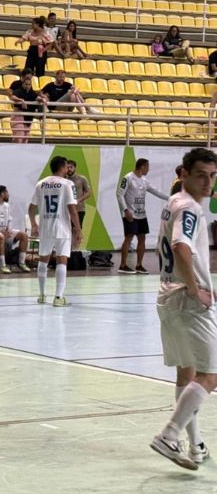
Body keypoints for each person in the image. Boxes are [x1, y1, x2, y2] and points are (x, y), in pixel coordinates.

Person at [149, 147, 217, 471]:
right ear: (184, 174)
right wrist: (196, 288)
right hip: (187, 300)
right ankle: (170, 434)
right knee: (210, 375)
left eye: (213, 176)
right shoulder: (190, 208)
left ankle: (196, 443)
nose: (208, 182)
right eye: (201, 175)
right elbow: (180, 247)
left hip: (166, 295)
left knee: (186, 372)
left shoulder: (173, 202)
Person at [28, 156, 81, 307]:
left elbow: (31, 207)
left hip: (45, 227)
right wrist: (78, 229)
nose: (67, 169)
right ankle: (58, 297)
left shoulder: (41, 183)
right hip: (62, 228)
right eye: (66, 166)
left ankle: (42, 295)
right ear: (63, 167)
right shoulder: (67, 184)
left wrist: (33, 224)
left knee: (43, 260)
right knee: (61, 260)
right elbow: (72, 209)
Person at [117, 158, 168, 274]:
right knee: (129, 238)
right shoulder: (128, 178)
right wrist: (125, 210)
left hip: (142, 215)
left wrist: (171, 198)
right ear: (142, 166)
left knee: (142, 238)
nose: (148, 170)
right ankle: (122, 265)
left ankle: (139, 265)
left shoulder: (144, 180)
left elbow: (156, 191)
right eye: (148, 167)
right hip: (130, 213)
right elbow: (119, 194)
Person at [0, 185, 30, 273]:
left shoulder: (7, 205)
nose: (8, 195)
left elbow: (9, 220)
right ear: (2, 194)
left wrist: (9, 230)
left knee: (23, 235)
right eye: (7, 193)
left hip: (5, 232)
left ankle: (22, 263)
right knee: (1, 237)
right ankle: (2, 265)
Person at [10, 76, 41, 144]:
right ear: (22, 84)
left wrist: (42, 99)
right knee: (19, 137)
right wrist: (21, 100)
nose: (27, 86)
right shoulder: (18, 91)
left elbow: (36, 97)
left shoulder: (32, 92)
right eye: (26, 84)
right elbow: (12, 97)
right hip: (18, 117)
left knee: (25, 139)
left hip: (28, 119)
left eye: (29, 84)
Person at [66, 159, 91, 227]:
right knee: (66, 231)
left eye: (71, 167)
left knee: (76, 231)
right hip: (66, 210)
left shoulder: (82, 178)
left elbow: (88, 192)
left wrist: (79, 200)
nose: (69, 169)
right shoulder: (63, 180)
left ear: (75, 168)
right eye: (67, 167)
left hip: (79, 209)